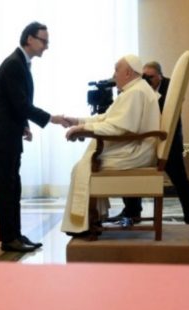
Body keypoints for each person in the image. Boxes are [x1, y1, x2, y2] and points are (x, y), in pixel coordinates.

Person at [0, 21, 67, 253]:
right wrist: (52, 118)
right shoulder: (13, 64)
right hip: (1, 138)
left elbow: (15, 103)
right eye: (44, 41)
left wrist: (24, 125)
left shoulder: (21, 62)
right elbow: (20, 103)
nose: (46, 46)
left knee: (13, 188)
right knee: (6, 188)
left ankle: (15, 235)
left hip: (9, 134)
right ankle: (9, 240)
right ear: (30, 39)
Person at [60, 55, 161, 235]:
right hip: (134, 146)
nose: (114, 75)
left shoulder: (136, 92)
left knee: (83, 167)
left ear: (128, 72)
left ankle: (85, 223)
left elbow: (118, 128)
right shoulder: (134, 90)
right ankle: (93, 218)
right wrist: (78, 121)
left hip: (136, 152)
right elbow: (107, 118)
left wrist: (84, 129)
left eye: (116, 70)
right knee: (86, 163)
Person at [113, 60, 189, 225]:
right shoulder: (141, 87)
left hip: (170, 141)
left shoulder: (171, 87)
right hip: (146, 139)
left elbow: (163, 111)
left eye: (151, 77)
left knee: (180, 180)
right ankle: (132, 212)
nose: (147, 80)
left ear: (160, 76)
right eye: (144, 76)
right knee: (130, 169)